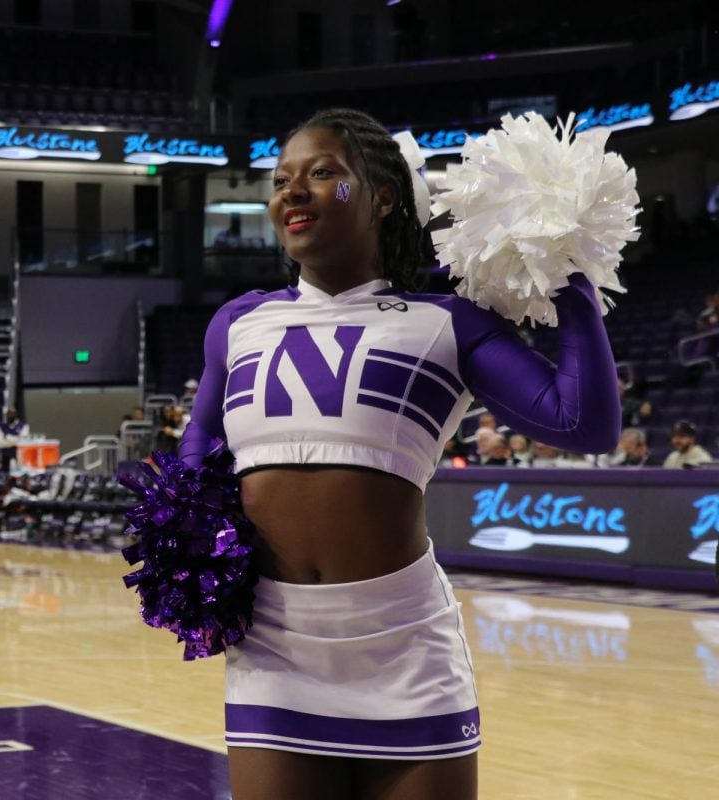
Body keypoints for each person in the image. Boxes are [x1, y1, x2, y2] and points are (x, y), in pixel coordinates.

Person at [179, 109, 620, 799]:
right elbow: (200, 445)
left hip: (405, 650)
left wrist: (569, 274)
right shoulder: (237, 323)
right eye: (281, 180)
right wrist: (191, 547)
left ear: (383, 197)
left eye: (323, 174)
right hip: (275, 648)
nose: (291, 192)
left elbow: (582, 423)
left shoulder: (447, 320)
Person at [0, 407, 29, 472]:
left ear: (16, 414)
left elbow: (23, 441)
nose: (11, 415)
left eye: (12, 413)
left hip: (19, 458)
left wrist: (7, 437)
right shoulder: (1, 427)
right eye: (9, 414)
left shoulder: (23, 426)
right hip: (6, 458)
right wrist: (16, 439)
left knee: (20, 475)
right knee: (5, 476)